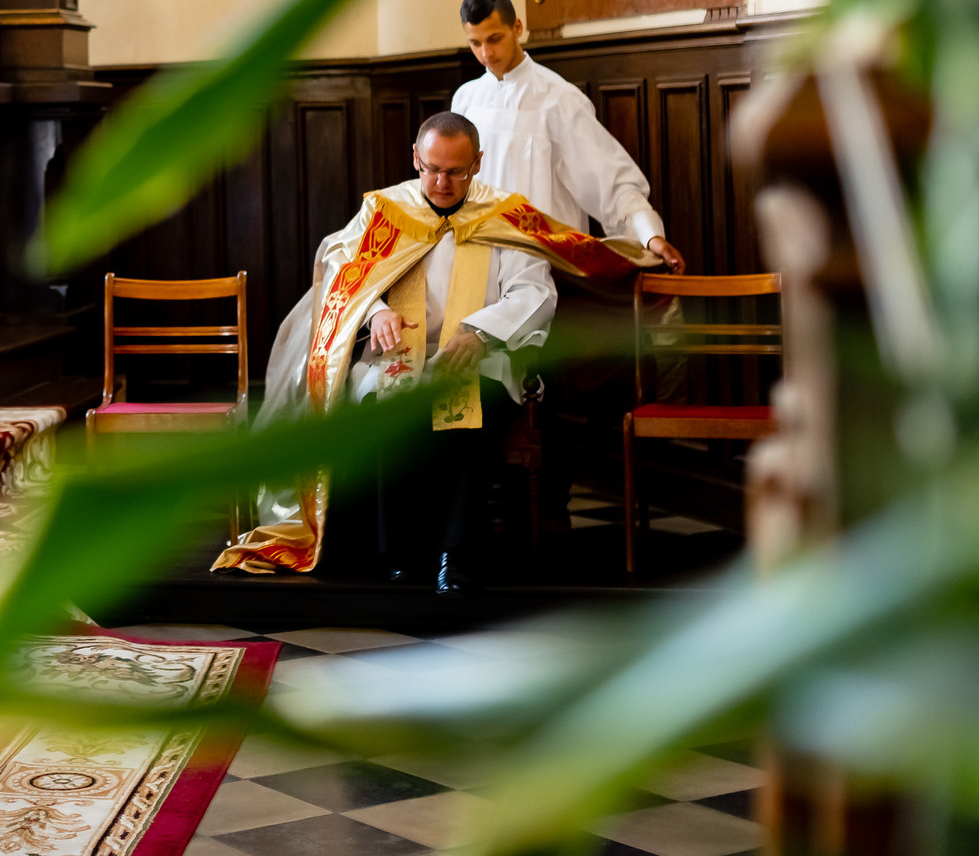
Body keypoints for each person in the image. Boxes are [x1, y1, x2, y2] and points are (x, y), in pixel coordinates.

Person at [214, 113, 655, 590]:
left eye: (456, 171)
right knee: (387, 408)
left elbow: (534, 294)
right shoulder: (385, 212)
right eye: (432, 168)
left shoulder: (505, 215)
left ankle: (455, 554)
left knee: (465, 412)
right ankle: (398, 556)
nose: (442, 182)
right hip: (395, 352)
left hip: (478, 353)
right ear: (415, 158)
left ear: (477, 164)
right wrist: (375, 308)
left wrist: (479, 333)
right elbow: (341, 267)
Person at [453, 0, 686, 270]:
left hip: (545, 265)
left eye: (494, 38)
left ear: (517, 27)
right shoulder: (465, 100)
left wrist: (649, 234)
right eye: (475, 43)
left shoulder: (559, 99)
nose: (486, 53)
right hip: (480, 263)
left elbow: (608, 181)